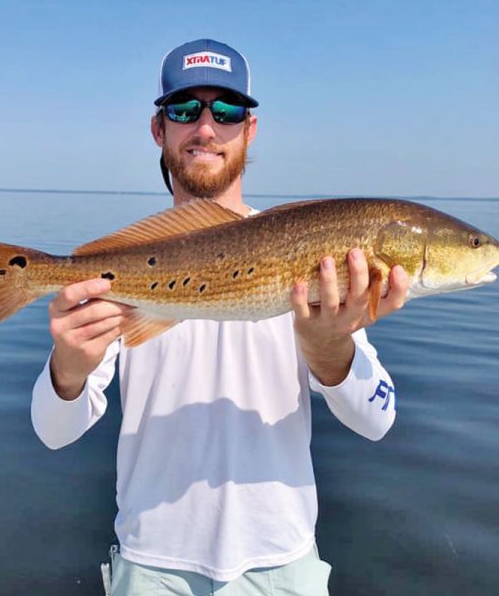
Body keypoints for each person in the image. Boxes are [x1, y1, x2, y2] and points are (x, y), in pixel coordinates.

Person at [31, 38, 409, 596]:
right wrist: (67, 370)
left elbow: (380, 418)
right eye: (185, 110)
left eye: (227, 110)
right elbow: (54, 433)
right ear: (159, 130)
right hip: (150, 564)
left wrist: (333, 355)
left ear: (249, 130)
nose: (206, 128)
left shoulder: (316, 253)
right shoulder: (126, 268)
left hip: (282, 564)